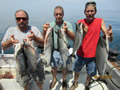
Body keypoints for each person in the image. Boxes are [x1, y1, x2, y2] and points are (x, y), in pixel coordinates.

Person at [69, 1, 113, 90]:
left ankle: (87, 84)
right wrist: (84, 32)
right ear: (84, 12)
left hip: (93, 56)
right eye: (88, 11)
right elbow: (77, 39)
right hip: (80, 54)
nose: (90, 13)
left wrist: (108, 34)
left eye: (92, 11)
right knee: (76, 70)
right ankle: (75, 82)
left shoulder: (100, 21)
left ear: (95, 12)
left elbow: (108, 37)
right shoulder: (80, 23)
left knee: (90, 73)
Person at [1, 9, 45, 90]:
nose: (21, 20)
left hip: (35, 62)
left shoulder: (34, 29)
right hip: (21, 65)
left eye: (24, 18)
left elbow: (43, 43)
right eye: (18, 19)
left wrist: (35, 38)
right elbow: (3, 46)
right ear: (16, 20)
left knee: (39, 82)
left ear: (27, 20)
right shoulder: (11, 30)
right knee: (25, 85)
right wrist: (10, 41)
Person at [42, 6, 74, 89]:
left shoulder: (68, 24)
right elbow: (44, 38)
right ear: (54, 15)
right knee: (53, 67)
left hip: (64, 49)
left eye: (60, 14)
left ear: (63, 15)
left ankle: (64, 80)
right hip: (55, 50)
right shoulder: (51, 25)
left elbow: (73, 37)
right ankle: (54, 79)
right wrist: (44, 31)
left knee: (65, 66)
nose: (58, 16)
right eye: (57, 14)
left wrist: (66, 31)